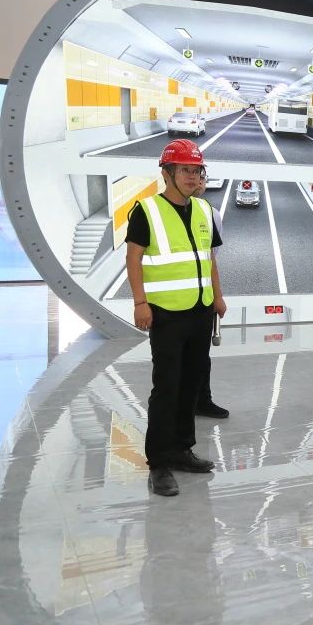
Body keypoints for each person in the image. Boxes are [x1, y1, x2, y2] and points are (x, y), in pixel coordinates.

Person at [124, 139, 227, 497]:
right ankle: (159, 463)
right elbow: (133, 258)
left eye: (197, 170)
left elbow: (210, 259)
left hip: (201, 310)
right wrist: (140, 302)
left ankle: (183, 449)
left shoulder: (204, 210)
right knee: (166, 387)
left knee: (191, 385)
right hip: (166, 314)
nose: (192, 176)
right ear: (167, 173)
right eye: (184, 169)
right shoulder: (147, 210)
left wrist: (218, 297)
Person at [193, 171, 228, 419]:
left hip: (202, 298)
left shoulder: (210, 213)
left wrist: (217, 296)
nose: (196, 181)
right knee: (170, 363)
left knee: (201, 357)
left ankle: (202, 401)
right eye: (188, 173)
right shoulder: (155, 210)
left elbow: (211, 257)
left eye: (201, 177)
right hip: (168, 304)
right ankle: (176, 408)